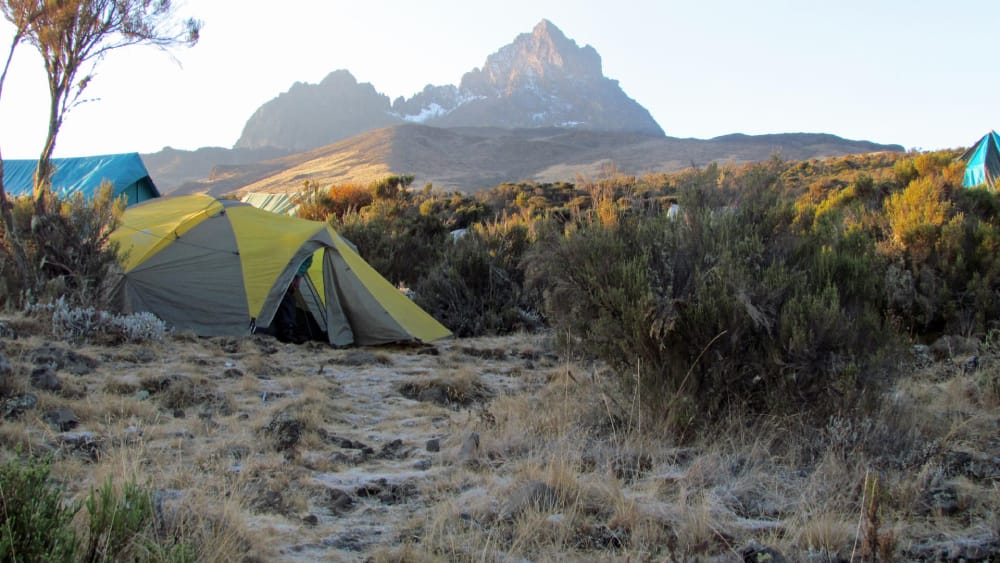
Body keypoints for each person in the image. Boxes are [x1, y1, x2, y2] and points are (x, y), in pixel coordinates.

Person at [275, 254, 313, 343]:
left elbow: (307, 261)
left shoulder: (307, 250)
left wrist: (295, 276)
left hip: (290, 273)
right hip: (282, 272)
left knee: (287, 297)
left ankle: (289, 329)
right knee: (286, 298)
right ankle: (288, 329)